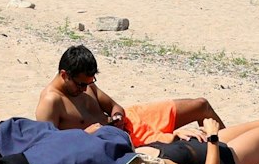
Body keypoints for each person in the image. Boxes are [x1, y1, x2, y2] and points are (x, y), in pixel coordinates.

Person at [34, 44, 226, 149]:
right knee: (189, 143)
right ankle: (228, 153)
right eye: (81, 84)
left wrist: (117, 116)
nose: (85, 89)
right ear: (64, 75)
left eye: (89, 83)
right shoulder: (52, 101)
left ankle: (229, 145)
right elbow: (48, 146)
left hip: (132, 118)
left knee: (201, 105)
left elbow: (115, 106)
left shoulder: (86, 85)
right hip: (125, 139)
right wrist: (86, 135)